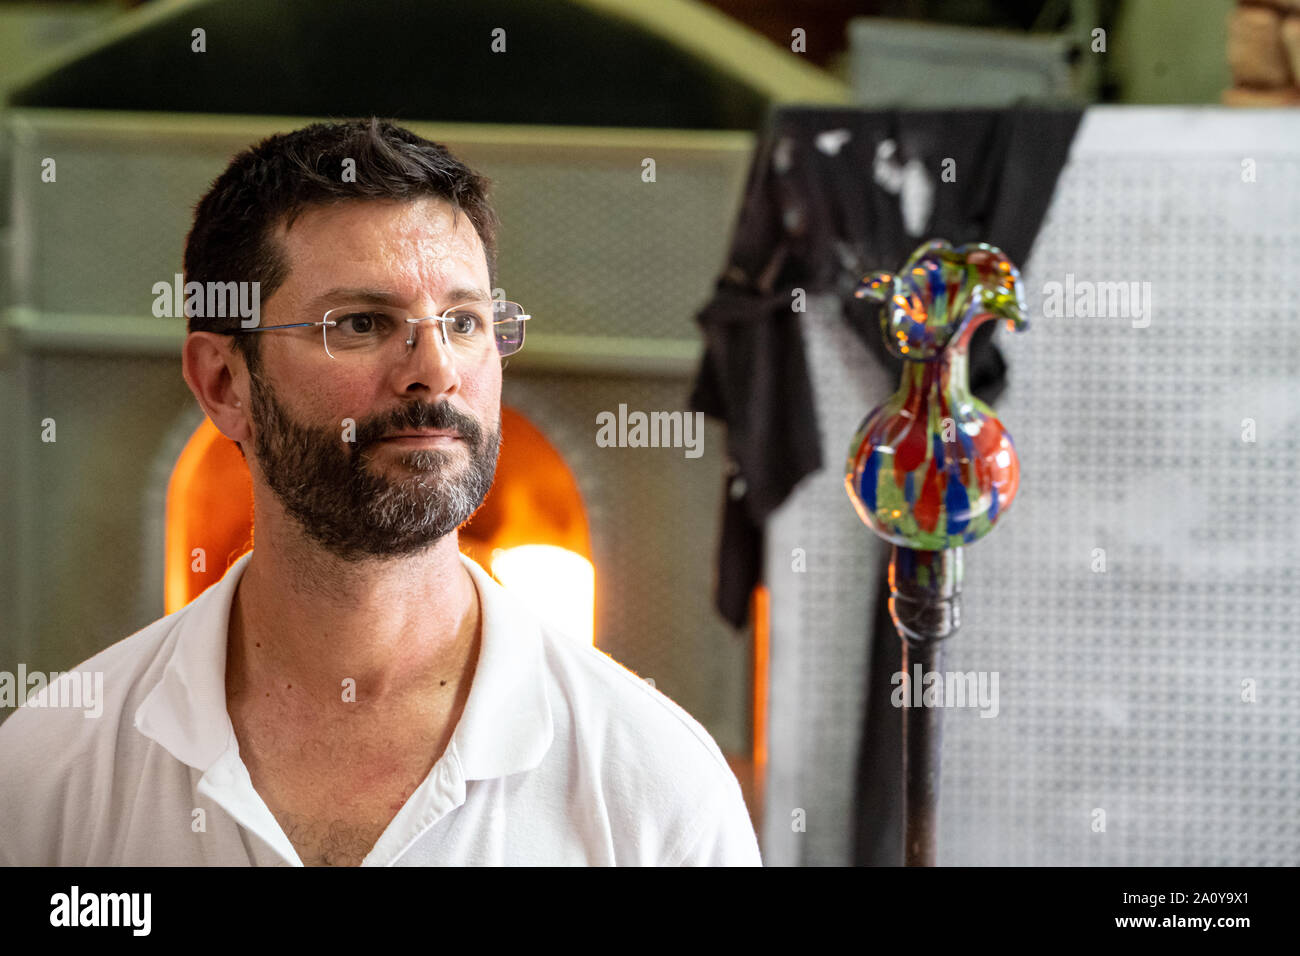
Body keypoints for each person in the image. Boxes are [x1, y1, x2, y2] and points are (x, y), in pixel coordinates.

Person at [0, 118, 762, 866]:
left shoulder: (658, 793)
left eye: (464, 321)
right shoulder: (49, 769)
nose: (435, 369)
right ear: (224, 382)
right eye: (361, 323)